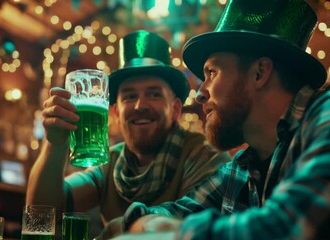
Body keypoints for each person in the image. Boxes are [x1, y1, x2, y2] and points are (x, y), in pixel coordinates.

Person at [100, 0, 330, 239]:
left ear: (260, 73)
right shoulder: (243, 168)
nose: (201, 94)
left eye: (211, 73)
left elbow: (292, 228)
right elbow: (169, 212)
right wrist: (149, 224)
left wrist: (175, 234)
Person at [26, 30, 231, 237]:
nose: (140, 105)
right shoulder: (111, 163)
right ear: (115, 112)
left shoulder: (204, 156)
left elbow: (188, 231)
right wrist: (56, 143)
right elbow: (41, 212)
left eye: (154, 94)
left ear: (176, 109)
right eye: (129, 96)